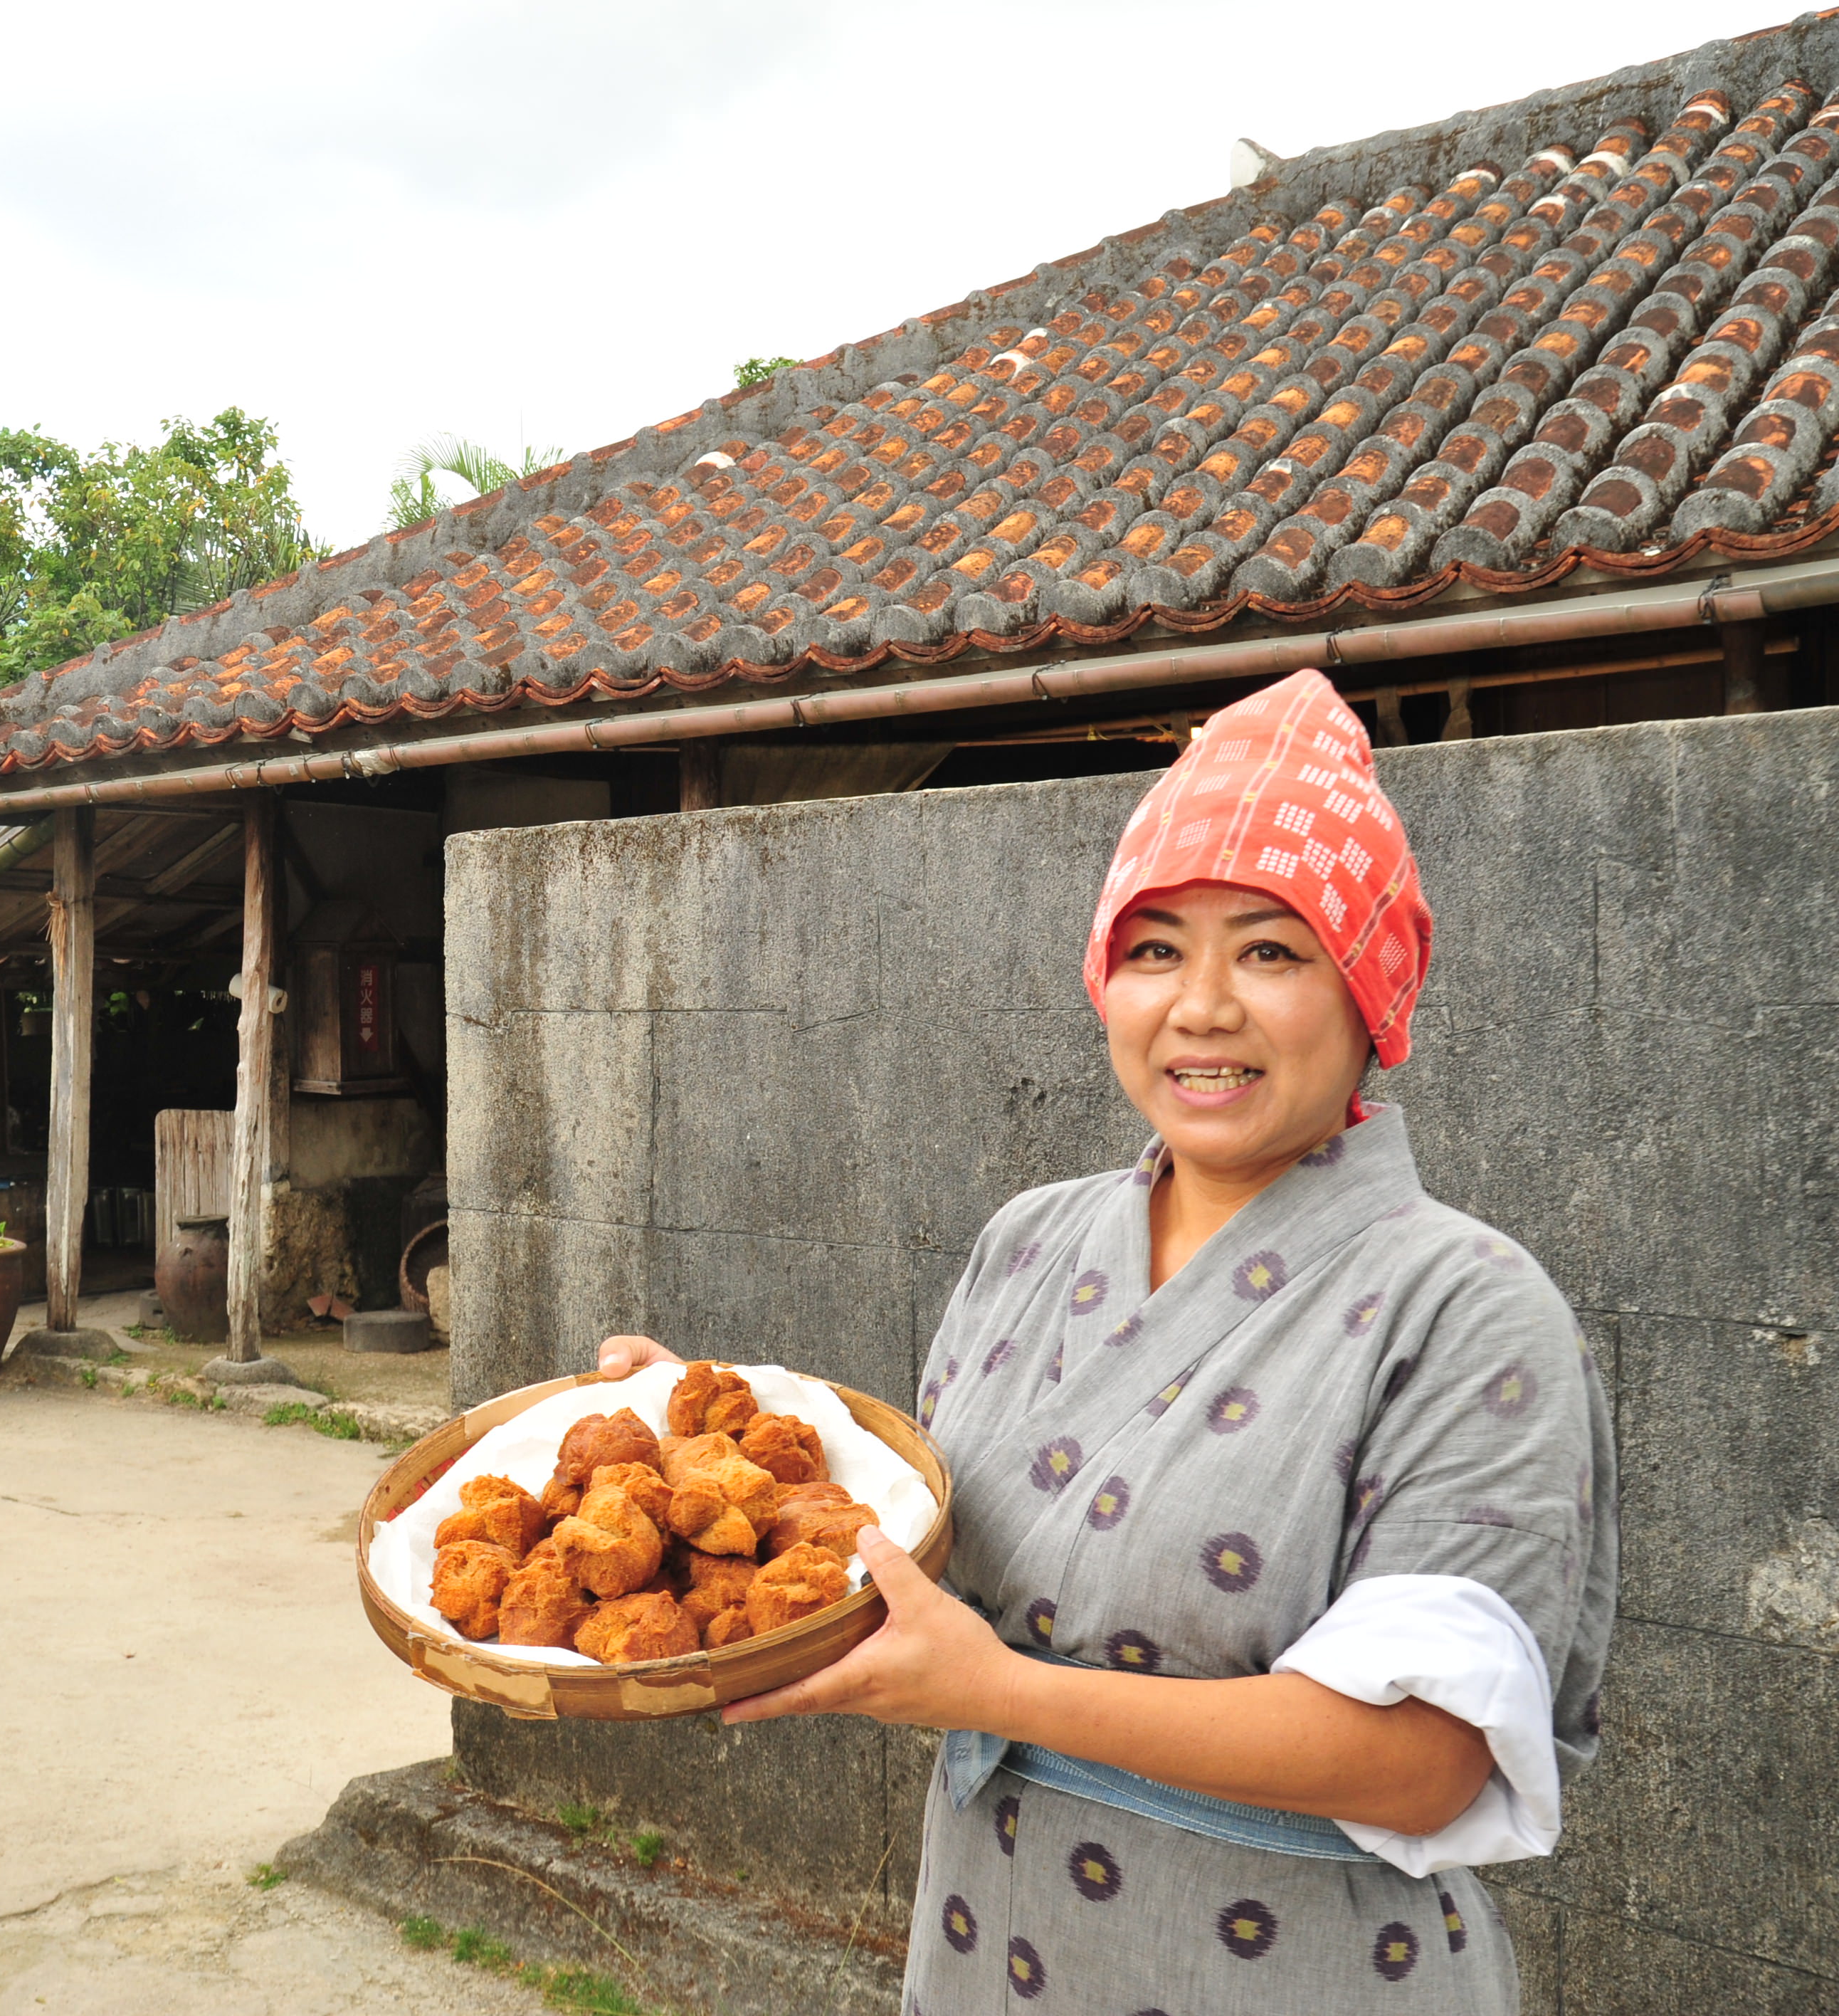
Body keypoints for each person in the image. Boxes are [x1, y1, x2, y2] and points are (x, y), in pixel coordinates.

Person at [599, 668, 1614, 2013]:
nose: (1199, 1006)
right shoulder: (1031, 1241)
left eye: (1270, 948)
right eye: (1153, 949)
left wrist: (1002, 1694)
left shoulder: (1471, 1307)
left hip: (1301, 1966)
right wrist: (705, 1455)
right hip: (989, 1935)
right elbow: (928, 1542)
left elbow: (1426, 1758)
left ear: (1370, 990)